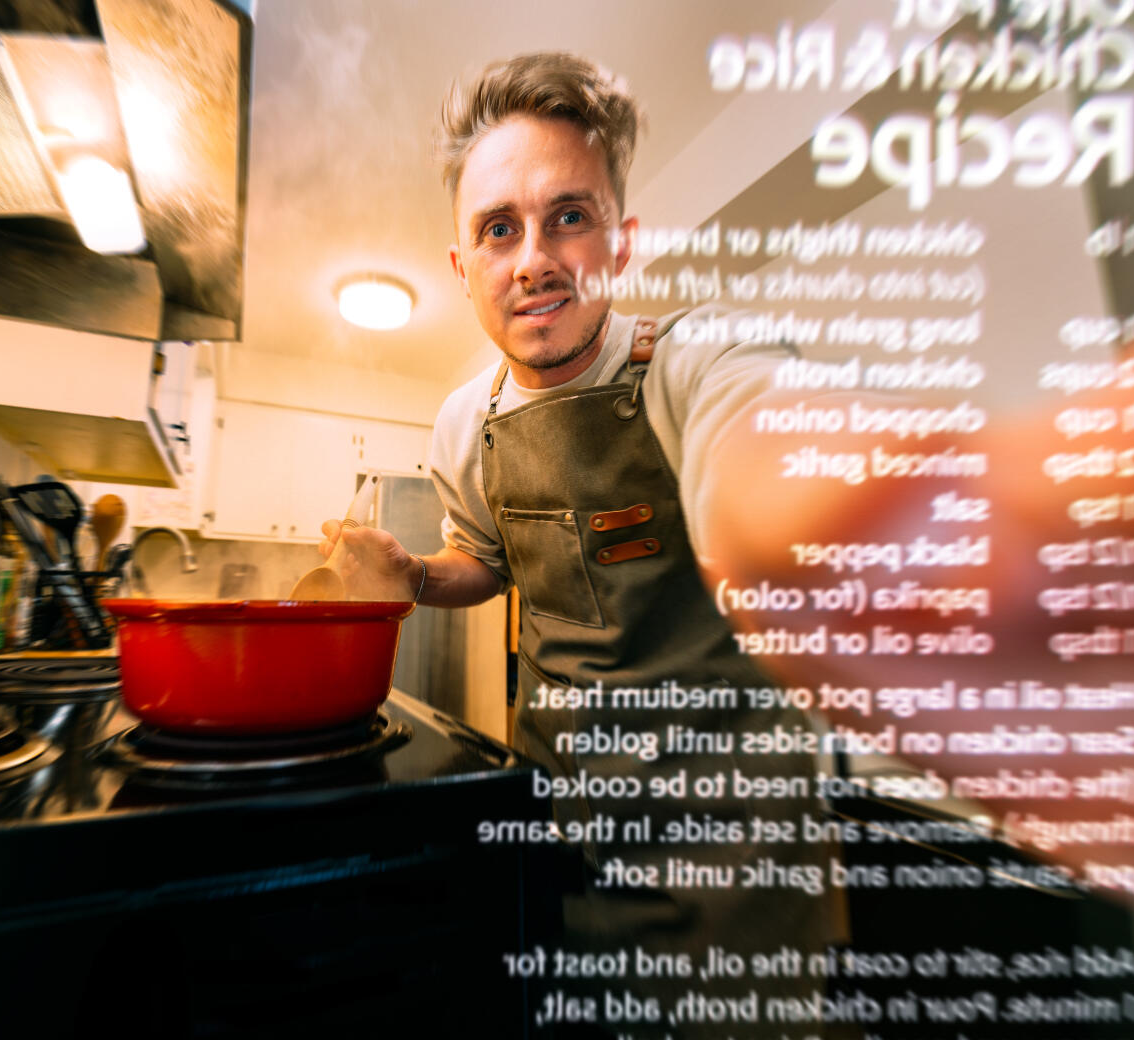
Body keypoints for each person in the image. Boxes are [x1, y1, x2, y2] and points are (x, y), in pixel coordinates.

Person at [320, 52, 831, 1036]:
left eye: (569, 215)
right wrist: (419, 577)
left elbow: (761, 444)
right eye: (498, 228)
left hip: (729, 856)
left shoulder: (693, 360)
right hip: (560, 824)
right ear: (460, 266)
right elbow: (489, 558)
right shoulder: (463, 422)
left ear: (620, 243)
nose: (533, 258)